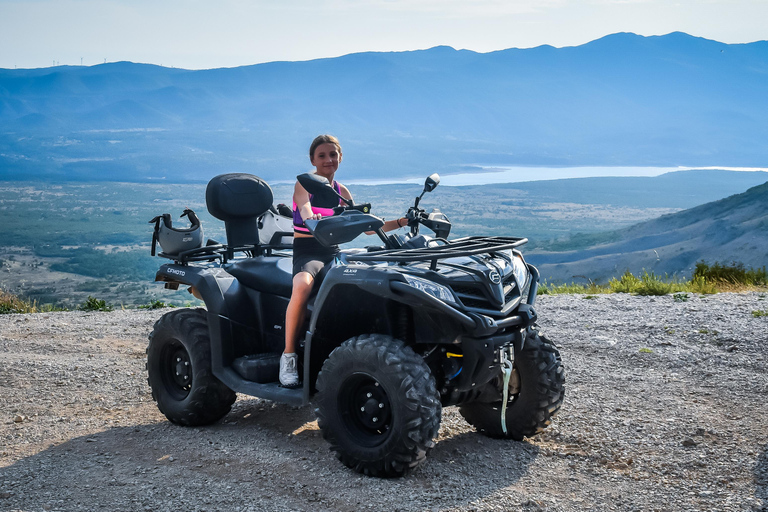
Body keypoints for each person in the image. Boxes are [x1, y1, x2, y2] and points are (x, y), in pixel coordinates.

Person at [280, 135, 408, 386]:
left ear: (340, 157)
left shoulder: (342, 192)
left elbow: (370, 228)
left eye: (333, 155)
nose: (328, 160)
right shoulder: (304, 185)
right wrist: (312, 216)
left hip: (333, 252)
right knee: (303, 285)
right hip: (308, 252)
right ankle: (288, 356)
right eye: (322, 156)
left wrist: (402, 222)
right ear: (312, 160)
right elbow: (305, 211)